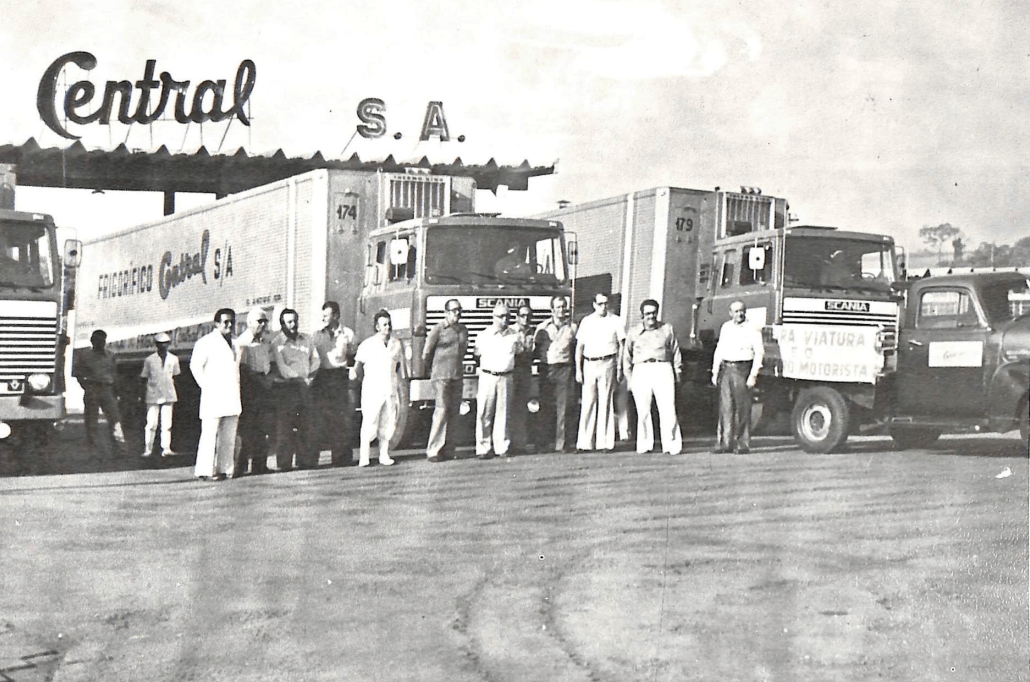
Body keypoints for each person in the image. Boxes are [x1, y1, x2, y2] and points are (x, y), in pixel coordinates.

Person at [624, 299, 683, 455]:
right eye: (647, 313)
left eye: (653, 313)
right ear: (642, 315)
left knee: (668, 408)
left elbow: (676, 351)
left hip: (662, 367)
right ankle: (645, 444)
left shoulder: (667, 329)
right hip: (641, 369)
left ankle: (671, 445)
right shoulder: (633, 332)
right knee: (643, 409)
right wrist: (629, 378)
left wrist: (677, 372)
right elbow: (626, 357)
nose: (651, 316)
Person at [190, 308, 242, 480]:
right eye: (225, 322)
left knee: (229, 435)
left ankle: (226, 469)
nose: (229, 325)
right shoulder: (206, 342)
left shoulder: (235, 343)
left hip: (231, 396)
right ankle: (205, 470)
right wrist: (207, 386)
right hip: (213, 395)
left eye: (231, 322)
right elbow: (195, 367)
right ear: (217, 323)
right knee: (209, 434)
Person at [354, 310, 407, 467]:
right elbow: (357, 368)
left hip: (390, 389)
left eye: (389, 324)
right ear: (377, 327)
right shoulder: (368, 344)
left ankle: (384, 455)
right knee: (370, 422)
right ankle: (365, 457)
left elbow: (400, 368)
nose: (388, 327)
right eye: (384, 324)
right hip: (372, 390)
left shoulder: (396, 344)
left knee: (388, 423)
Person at [711, 301, 765, 454]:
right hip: (726, 368)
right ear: (730, 313)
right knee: (725, 408)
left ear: (745, 312)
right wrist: (715, 372)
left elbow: (759, 352)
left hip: (743, 369)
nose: (739, 314)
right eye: (735, 311)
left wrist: (753, 375)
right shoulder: (726, 327)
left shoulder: (752, 328)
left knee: (743, 408)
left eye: (741, 311)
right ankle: (725, 443)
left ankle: (742, 444)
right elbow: (719, 349)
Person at [270, 308, 321, 470]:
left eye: (295, 321)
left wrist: (309, 377)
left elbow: (316, 359)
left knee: (306, 424)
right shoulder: (277, 343)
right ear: (282, 324)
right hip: (287, 388)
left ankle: (305, 460)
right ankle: (284, 463)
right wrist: (299, 378)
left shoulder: (306, 339)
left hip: (306, 385)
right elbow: (281, 366)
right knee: (285, 426)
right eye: (289, 322)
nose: (293, 325)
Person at [575, 293, 625, 452]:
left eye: (606, 303)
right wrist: (578, 369)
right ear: (594, 305)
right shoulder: (586, 321)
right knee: (588, 403)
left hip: (608, 362)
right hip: (589, 363)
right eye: (600, 303)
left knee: (606, 402)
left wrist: (620, 368)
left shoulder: (616, 320)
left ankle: (604, 443)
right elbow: (579, 347)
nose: (603, 306)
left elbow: (622, 347)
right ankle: (584, 443)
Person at [473, 303, 524, 458]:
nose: (504, 319)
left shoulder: (514, 335)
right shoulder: (484, 335)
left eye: (507, 316)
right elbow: (476, 355)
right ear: (493, 317)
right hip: (488, 376)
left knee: (504, 413)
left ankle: (501, 447)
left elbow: (519, 353)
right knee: (484, 413)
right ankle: (483, 448)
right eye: (501, 316)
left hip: (506, 376)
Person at [423, 298, 468, 463]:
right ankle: (433, 450)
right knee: (441, 411)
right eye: (454, 310)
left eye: (459, 310)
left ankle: (449, 450)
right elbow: (426, 353)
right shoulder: (438, 329)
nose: (457, 313)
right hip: (441, 376)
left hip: (457, 375)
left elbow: (463, 351)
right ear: (446, 313)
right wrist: (433, 370)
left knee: (454, 413)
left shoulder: (463, 330)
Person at [312, 301, 356, 467]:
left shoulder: (348, 334)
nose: (323, 318)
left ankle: (341, 458)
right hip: (322, 378)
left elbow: (353, 355)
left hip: (339, 377)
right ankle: (312, 459)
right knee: (319, 418)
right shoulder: (316, 335)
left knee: (341, 418)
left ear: (336, 315)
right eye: (322, 315)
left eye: (327, 315)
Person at [535, 295, 578, 453]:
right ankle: (542, 444)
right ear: (552, 309)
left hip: (565, 369)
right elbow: (537, 349)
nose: (561, 310)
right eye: (558, 307)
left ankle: (562, 444)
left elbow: (575, 349)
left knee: (564, 407)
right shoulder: (543, 328)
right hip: (547, 369)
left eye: (563, 306)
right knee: (545, 407)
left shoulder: (572, 328)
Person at [236, 306, 274, 475]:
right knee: (246, 428)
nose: (263, 325)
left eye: (265, 321)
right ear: (249, 323)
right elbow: (243, 369)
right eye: (260, 321)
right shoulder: (243, 342)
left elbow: (269, 364)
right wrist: (260, 382)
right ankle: (240, 465)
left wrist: (268, 380)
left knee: (262, 427)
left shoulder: (265, 342)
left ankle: (260, 464)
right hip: (250, 388)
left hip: (264, 386)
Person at [73, 329, 125, 450]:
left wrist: (116, 391)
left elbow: (114, 373)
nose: (100, 342)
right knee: (91, 421)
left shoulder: (111, 355)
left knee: (115, 419)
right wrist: (85, 386)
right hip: (92, 389)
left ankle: (119, 447)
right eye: (97, 340)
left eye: (102, 340)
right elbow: (77, 373)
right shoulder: (85, 356)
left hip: (107, 389)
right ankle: (94, 448)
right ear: (92, 341)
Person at [139, 332, 180, 458]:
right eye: (160, 344)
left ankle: (166, 448)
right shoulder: (150, 360)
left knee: (167, 424)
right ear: (156, 345)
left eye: (165, 344)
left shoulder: (173, 359)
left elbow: (176, 375)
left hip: (168, 393)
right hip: (153, 393)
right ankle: (148, 448)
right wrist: (142, 394)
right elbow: (144, 377)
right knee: (151, 423)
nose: (163, 346)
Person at [508, 304, 536, 454]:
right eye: (523, 316)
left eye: (528, 316)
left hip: (525, 371)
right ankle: (506, 443)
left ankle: (520, 443)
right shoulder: (510, 332)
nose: (526, 319)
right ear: (517, 317)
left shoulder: (533, 333)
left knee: (521, 407)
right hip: (512, 371)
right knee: (508, 407)